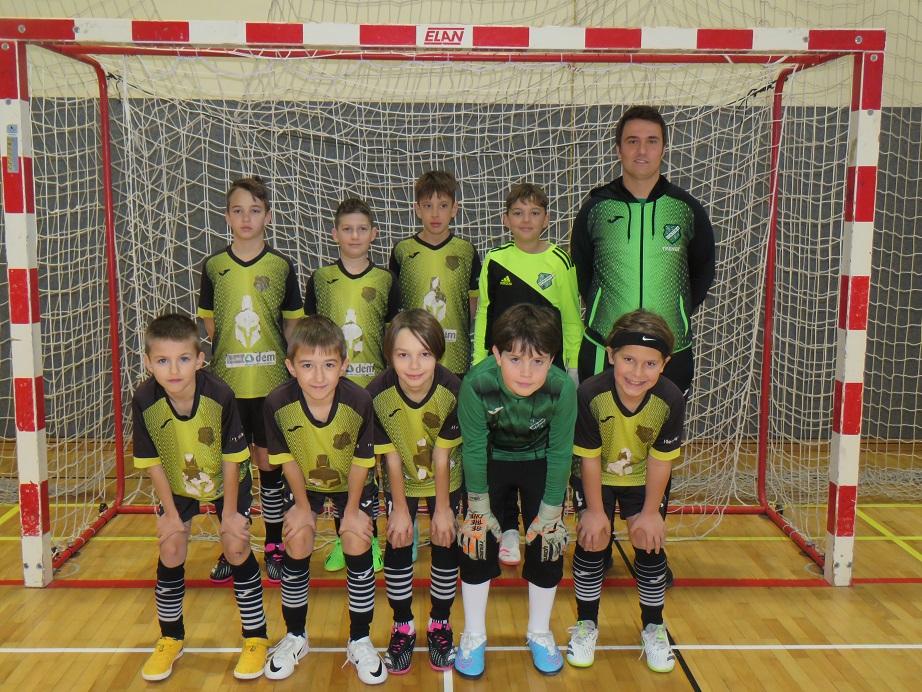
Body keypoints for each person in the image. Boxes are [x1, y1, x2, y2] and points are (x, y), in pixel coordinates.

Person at [569, 105, 716, 581]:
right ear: (618, 149)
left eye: (651, 141)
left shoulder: (684, 208)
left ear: (664, 148)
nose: (641, 150)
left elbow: (702, 271)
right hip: (601, 347)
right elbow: (582, 273)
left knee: (657, 447)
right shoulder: (596, 208)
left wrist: (671, 319)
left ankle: (650, 545)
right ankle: (597, 541)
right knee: (594, 444)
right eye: (632, 140)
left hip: (670, 354)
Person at [133, 314, 268, 681]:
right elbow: (152, 462)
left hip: (226, 479)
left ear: (199, 360)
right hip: (176, 480)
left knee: (236, 546)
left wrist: (230, 514)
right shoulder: (144, 399)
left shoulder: (219, 395)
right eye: (163, 360)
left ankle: (256, 637)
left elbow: (232, 457)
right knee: (171, 545)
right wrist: (170, 515)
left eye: (183, 359)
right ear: (148, 363)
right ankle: (170, 638)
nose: (174, 369)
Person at [261, 315, 387, 684]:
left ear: (344, 365)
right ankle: (296, 636)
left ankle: (360, 639)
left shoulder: (359, 400)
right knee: (297, 536)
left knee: (356, 538)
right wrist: (302, 507)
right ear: (291, 367)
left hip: (352, 484)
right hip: (305, 484)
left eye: (329, 365)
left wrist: (352, 511)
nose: (319, 376)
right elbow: (285, 460)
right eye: (307, 366)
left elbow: (363, 462)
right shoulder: (277, 403)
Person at [454, 304, 577, 679]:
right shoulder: (476, 384)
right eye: (515, 359)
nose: (526, 372)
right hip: (490, 460)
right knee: (476, 541)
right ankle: (474, 633)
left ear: (551, 359)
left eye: (538, 361)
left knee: (548, 543)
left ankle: (539, 632)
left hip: (540, 461)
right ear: (496, 354)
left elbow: (561, 452)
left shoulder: (562, 388)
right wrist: (478, 508)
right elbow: (473, 448)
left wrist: (551, 511)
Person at [198, 176, 304, 584]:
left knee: (269, 464)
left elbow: (291, 327)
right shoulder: (214, 266)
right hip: (228, 387)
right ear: (227, 216)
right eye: (238, 211)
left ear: (268, 216)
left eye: (255, 210)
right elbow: (211, 325)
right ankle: (234, 544)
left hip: (271, 386)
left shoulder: (280, 265)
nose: (246, 218)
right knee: (232, 468)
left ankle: (274, 544)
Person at [566, 309, 684, 673]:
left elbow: (661, 462)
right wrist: (594, 511)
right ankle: (586, 624)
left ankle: (654, 627)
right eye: (628, 359)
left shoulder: (670, 398)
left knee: (648, 540)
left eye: (650, 363)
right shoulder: (590, 393)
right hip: (597, 475)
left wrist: (650, 513)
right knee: (593, 538)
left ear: (664, 364)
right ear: (611, 355)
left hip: (643, 478)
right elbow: (588, 459)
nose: (637, 372)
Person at [472, 182, 582, 567]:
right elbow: (484, 314)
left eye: (534, 213)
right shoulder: (495, 259)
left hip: (544, 374)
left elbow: (571, 319)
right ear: (505, 219)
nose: (526, 220)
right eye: (518, 213)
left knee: (540, 450)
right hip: (501, 373)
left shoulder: (560, 261)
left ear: (546, 219)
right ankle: (506, 529)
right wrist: (479, 364)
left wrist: (571, 369)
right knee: (498, 449)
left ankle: (543, 521)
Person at [304, 196, 399, 573]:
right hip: (331, 391)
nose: (354, 235)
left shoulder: (386, 280)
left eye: (361, 229)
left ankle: (372, 538)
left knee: (373, 466)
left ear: (373, 234)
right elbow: (311, 335)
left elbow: (394, 336)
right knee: (339, 466)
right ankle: (344, 538)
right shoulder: (320, 279)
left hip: (373, 389)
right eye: (347, 229)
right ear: (335, 234)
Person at [367, 309, 464, 674]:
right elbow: (390, 456)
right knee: (398, 539)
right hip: (401, 476)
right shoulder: (376, 394)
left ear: (438, 354)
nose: (414, 365)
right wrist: (398, 510)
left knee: (444, 538)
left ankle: (440, 622)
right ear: (389, 356)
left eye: (424, 354)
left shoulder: (454, 390)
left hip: (446, 476)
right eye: (403, 355)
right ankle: (402, 625)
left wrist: (442, 509)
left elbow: (442, 455)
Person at [389, 170, 481, 377]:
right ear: (417, 209)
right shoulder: (402, 251)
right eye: (428, 206)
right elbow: (395, 307)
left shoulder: (466, 251)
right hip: (413, 357)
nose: (435, 214)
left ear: (454, 209)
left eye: (443, 205)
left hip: (455, 357)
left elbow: (474, 304)